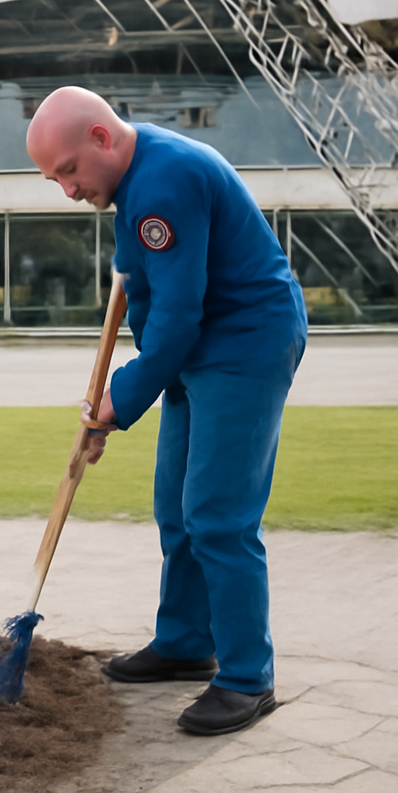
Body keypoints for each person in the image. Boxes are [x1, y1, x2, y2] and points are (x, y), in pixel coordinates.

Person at [26, 86, 307, 736]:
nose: (66, 190)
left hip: (243, 345)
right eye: (52, 180)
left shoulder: (164, 182)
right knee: (177, 508)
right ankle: (185, 641)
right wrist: (113, 403)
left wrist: (119, 402)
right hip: (189, 350)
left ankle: (245, 677)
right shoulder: (130, 184)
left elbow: (179, 318)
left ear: (100, 138)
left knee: (217, 516)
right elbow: (140, 288)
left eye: (68, 171)